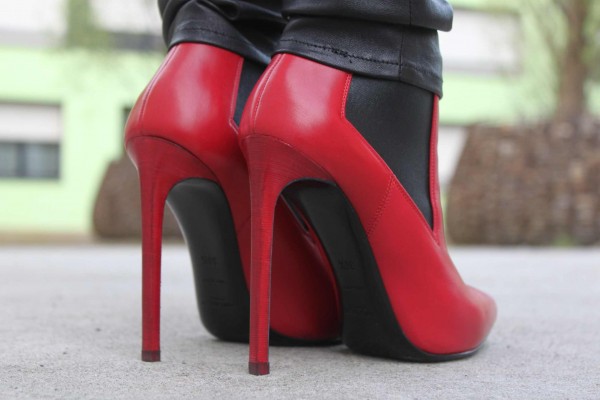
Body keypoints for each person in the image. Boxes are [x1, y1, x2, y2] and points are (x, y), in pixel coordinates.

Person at [125, 0, 497, 375]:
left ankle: (208, 53)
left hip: (195, 81)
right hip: (332, 92)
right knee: (352, 27)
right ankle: (352, 45)